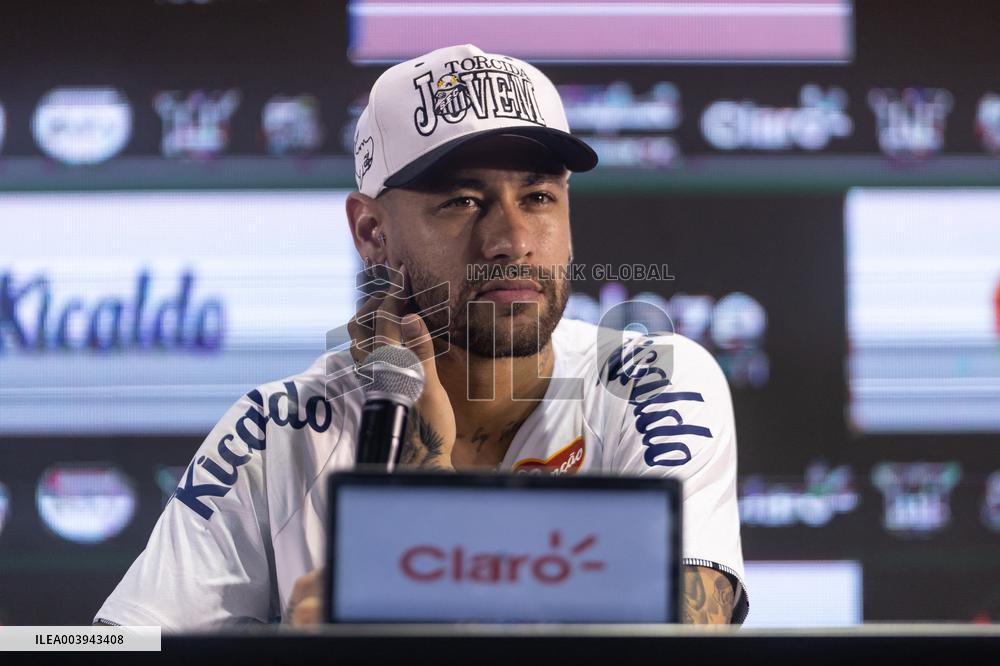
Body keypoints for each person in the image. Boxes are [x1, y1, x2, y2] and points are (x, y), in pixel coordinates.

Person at [94, 44, 747, 629]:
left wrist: (422, 505)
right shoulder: (279, 429)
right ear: (372, 233)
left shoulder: (653, 377)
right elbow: (100, 648)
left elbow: (691, 627)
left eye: (540, 198)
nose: (512, 242)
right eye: (462, 201)